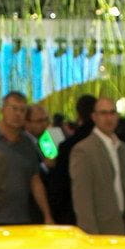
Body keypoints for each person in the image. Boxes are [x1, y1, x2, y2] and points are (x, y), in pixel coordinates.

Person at [0, 91, 51, 224]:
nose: (18, 114)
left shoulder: (28, 143)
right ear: (2, 110)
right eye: (13, 109)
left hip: (21, 218)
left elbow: (35, 180)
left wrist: (47, 216)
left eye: (22, 110)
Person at [69, 97, 125, 235]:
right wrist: (90, 235)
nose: (108, 118)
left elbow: (124, 184)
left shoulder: (121, 147)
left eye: (112, 113)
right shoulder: (83, 150)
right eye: (103, 113)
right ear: (94, 117)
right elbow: (82, 199)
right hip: (100, 228)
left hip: (121, 224)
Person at [46, 93, 96, 224]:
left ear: (78, 114)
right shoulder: (110, 142)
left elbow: (60, 184)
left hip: (73, 211)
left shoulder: (69, 146)